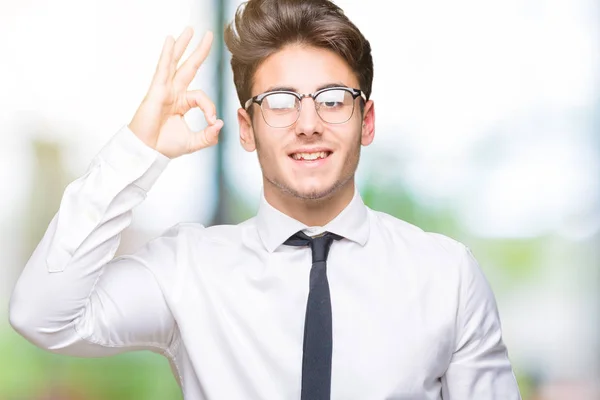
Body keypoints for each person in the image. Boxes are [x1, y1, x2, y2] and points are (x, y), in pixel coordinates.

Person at [8, 0, 522, 399]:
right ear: (247, 129)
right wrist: (137, 152)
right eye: (279, 102)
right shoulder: (188, 270)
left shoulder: (446, 275)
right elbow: (42, 315)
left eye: (333, 99)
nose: (307, 123)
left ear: (366, 122)